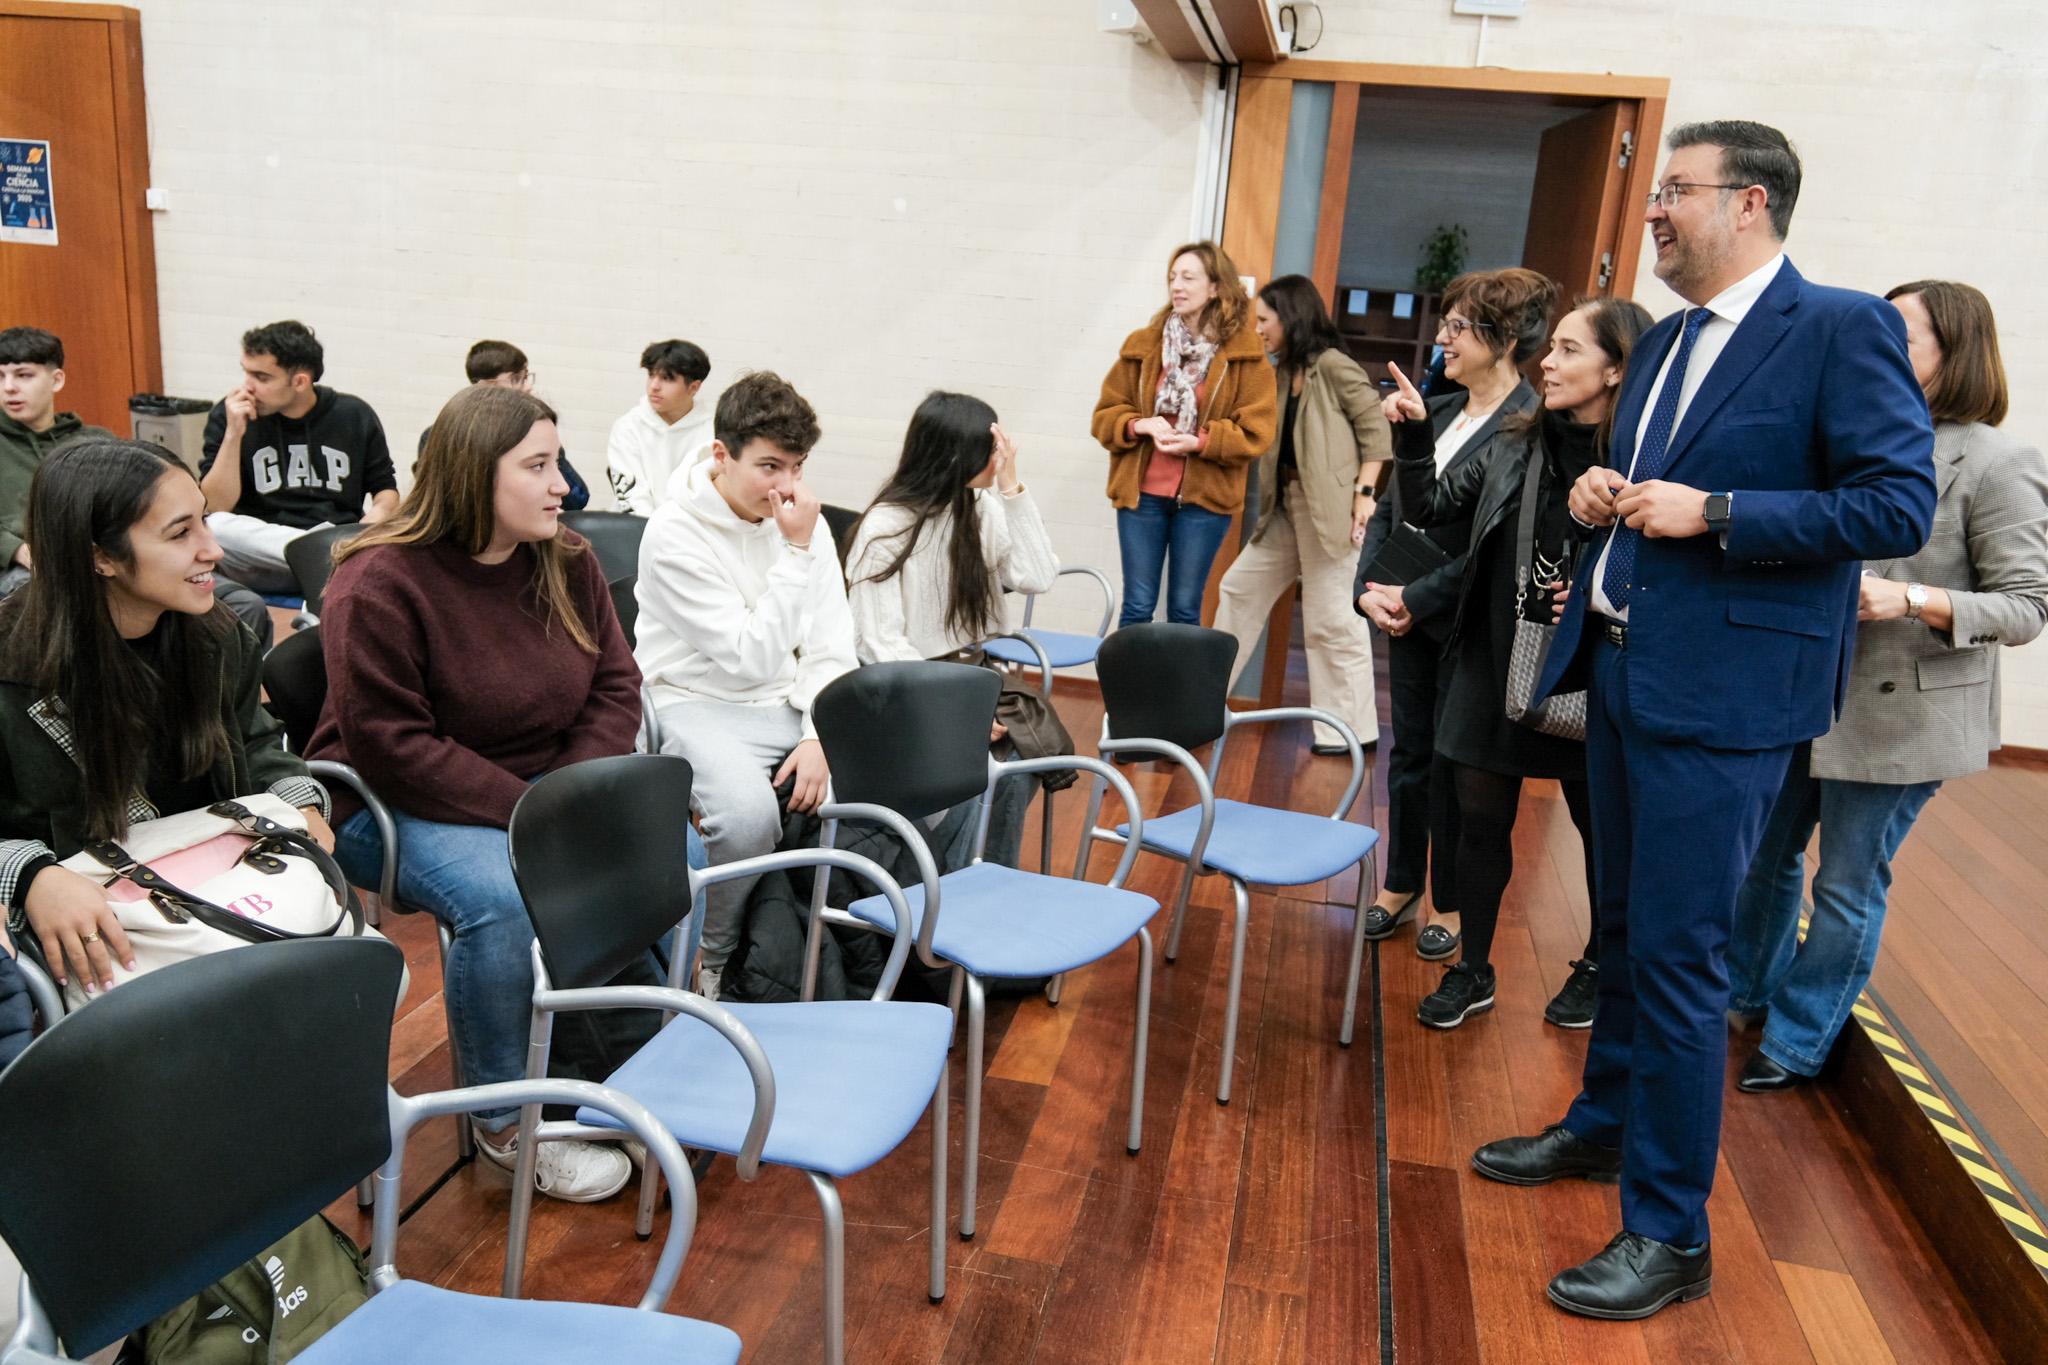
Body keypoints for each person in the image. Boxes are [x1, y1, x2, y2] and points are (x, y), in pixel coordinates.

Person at [1472, 121, 1937, 1320]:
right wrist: (1601, 495)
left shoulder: (1837, 327)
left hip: (1728, 698)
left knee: (1681, 958)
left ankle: (1669, 1232)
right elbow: (1650, 495)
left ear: (1749, 202)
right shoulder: (1668, 339)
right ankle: (1601, 1125)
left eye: (1673, 190)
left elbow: (1894, 504)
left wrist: (1716, 511)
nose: (1652, 213)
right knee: (1626, 931)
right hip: (1626, 674)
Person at [308, 382, 653, 1203]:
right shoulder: (379, 581)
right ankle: (505, 1121)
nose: (562, 484)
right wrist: (536, 816)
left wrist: (566, 799)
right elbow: (392, 744)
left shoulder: (564, 558)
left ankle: (639, 1062)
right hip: (391, 802)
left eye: (558, 462)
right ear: (472, 474)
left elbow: (616, 685)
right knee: (503, 898)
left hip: (538, 786)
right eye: (537, 466)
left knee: (671, 846)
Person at [1727, 280, 2048, 1093]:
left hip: (1905, 715)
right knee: (1763, 857)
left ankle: (1797, 1039)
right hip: (1807, 690)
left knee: (1846, 881)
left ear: (1956, 352)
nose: (1876, 344)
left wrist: (1909, 598)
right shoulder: (1847, 434)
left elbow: (2026, 607)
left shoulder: (1998, 460)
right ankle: (1743, 995)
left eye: (1901, 334)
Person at [1392, 295, 1653, 1031]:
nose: (1548, 362)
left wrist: (1601, 591)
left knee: (1601, 828)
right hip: (1493, 654)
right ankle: (1473, 968)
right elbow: (1429, 508)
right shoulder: (1514, 440)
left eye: (1570, 350)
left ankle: (1601, 962)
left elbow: (1664, 567)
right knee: (1478, 823)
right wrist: (1413, 434)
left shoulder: (1646, 461)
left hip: (1589, 660)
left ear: (1616, 368)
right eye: (1552, 346)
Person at [0, 437, 331, 1002]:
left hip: (219, 892)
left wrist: (296, 799)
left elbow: (255, 743)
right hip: (106, 929)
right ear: (99, 557)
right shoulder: (12, 665)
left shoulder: (218, 637)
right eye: (181, 533)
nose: (213, 549)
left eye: (205, 520)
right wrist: (31, 875)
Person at [634, 370, 857, 1001]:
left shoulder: (801, 524)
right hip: (692, 701)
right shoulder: (674, 532)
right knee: (748, 816)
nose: (787, 486)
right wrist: (797, 553)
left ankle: (840, 957)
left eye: (797, 466)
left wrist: (818, 734)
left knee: (890, 783)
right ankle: (714, 953)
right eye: (769, 467)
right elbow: (749, 656)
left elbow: (832, 645)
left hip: (785, 702)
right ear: (721, 455)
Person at [1352, 270, 1544, 963]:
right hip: (1403, 610)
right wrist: (1368, 589)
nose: (1443, 337)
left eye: (1460, 326)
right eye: (1446, 323)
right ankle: (1401, 880)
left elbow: (1495, 547)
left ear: (1506, 338)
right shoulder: (1432, 407)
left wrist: (1419, 598)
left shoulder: (1529, 426)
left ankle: (1450, 898)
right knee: (1408, 754)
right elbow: (1391, 512)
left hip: (1466, 619)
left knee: (1456, 766)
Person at [0, 327, 273, 642]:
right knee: (49, 605)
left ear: (56, 379)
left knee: (244, 604)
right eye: (1, 377)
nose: (9, 388)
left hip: (114, 556)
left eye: (23, 375)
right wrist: (18, 550)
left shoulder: (95, 440)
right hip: (27, 567)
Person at [1213, 275, 1388, 753]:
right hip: (1286, 509)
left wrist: (1365, 493)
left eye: (1265, 320)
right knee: (1238, 588)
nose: (1259, 329)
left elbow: (1376, 430)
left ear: (1290, 318)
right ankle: (1203, 704)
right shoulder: (1279, 372)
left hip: (1330, 512)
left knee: (1332, 620)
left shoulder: (1333, 366)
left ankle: (1348, 732)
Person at [1092, 240, 1277, 627]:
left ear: (1215, 287)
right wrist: (1138, 424)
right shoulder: (1144, 345)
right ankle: (1131, 672)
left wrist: (1202, 441)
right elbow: (1105, 415)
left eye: (1188, 278)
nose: (1177, 285)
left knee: (1184, 609)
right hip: (1141, 496)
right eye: (1172, 277)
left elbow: (1257, 433)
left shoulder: (1247, 354)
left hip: (1204, 502)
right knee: (1137, 606)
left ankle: (1178, 674)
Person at [845, 391, 1058, 662]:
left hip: (957, 667)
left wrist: (1012, 492)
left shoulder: (978, 505)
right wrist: (945, 685)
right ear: (956, 458)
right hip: (904, 676)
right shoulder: (885, 527)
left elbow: (1038, 577)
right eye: (992, 450)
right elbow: (883, 646)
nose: (1000, 461)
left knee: (1022, 693)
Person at [198, 320, 399, 596]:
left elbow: (385, 489)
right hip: (266, 558)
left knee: (389, 539)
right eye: (246, 373)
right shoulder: (229, 414)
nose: (247, 387)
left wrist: (380, 513)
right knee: (216, 527)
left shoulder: (353, 414)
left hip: (335, 540)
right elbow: (215, 505)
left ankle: (325, 556)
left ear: (300, 381)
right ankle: (321, 555)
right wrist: (233, 434)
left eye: (262, 378)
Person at [418, 340, 590, 510]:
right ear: (487, 385)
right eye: (516, 379)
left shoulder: (534, 434)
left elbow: (578, 499)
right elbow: (434, 502)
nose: (528, 387)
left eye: (526, 377)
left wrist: (553, 455)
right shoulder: (440, 436)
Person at [607, 339, 713, 516]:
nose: (654, 386)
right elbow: (632, 498)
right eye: (651, 375)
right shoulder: (628, 427)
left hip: (689, 529)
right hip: (635, 526)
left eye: (667, 378)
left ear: (694, 387)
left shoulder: (713, 433)